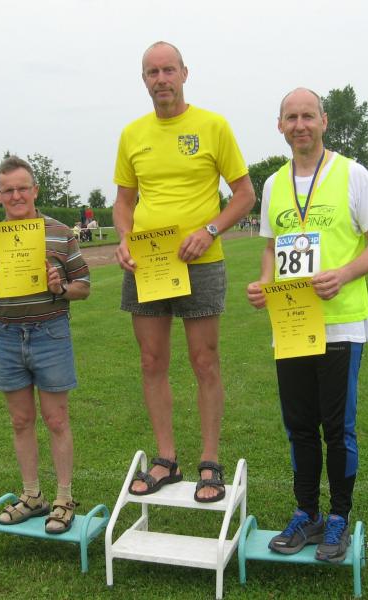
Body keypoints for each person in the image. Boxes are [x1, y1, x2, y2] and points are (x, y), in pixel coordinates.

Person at [246, 88, 368, 562]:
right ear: (280, 126)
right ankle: (306, 512)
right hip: (292, 323)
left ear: (324, 121)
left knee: (337, 428)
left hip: (341, 325)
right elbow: (271, 246)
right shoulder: (274, 184)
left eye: (308, 116)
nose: (300, 125)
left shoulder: (353, 174)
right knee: (299, 427)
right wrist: (263, 283)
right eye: (291, 117)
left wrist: (344, 274)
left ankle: (338, 518)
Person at [113, 41, 255, 502]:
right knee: (151, 362)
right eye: (152, 72)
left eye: (168, 70)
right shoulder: (132, 134)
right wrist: (123, 237)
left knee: (204, 361)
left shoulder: (213, 126)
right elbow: (124, 202)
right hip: (148, 263)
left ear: (184, 73)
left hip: (201, 262)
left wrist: (210, 231)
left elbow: (244, 194)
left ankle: (210, 461)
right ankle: (166, 459)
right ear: (144, 80)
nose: (161, 79)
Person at [0, 155, 90, 533]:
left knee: (56, 420)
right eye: (8, 190)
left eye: (22, 188)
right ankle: (32, 495)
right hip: (6, 335)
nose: (16, 196)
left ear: (35, 190)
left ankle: (64, 498)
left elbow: (84, 286)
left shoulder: (60, 233)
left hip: (50, 332)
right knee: (21, 421)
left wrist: (60, 287)